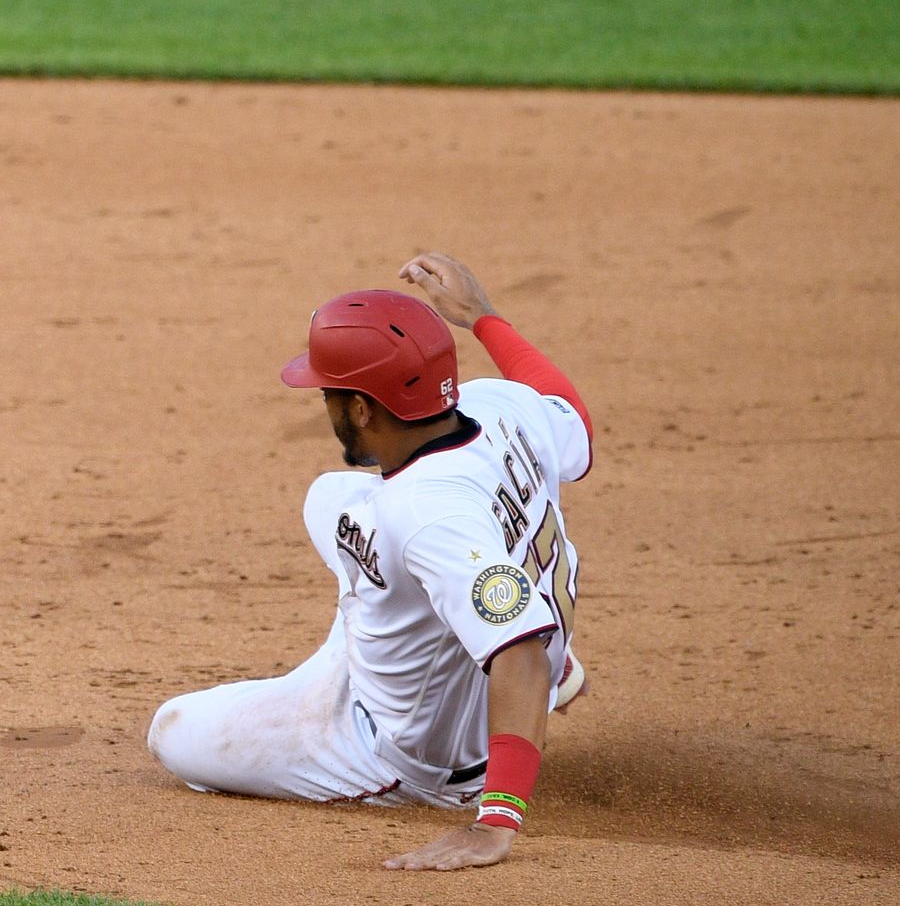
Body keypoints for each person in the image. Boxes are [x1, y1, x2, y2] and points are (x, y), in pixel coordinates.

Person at [148, 252, 594, 870]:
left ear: (362, 408)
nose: (323, 402)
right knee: (332, 497)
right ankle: (519, 632)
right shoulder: (499, 405)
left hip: (414, 751)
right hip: (484, 595)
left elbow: (517, 655)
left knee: (174, 733)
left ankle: (440, 759)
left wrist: (495, 823)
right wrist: (486, 319)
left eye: (329, 393)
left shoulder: (427, 516)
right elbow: (569, 408)